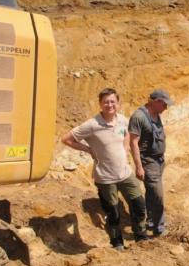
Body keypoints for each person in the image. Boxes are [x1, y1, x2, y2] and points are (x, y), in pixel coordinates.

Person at [61, 88, 149, 250]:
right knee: (113, 213)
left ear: (118, 103)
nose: (110, 105)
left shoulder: (122, 120)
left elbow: (127, 133)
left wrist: (125, 148)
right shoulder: (92, 125)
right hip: (105, 178)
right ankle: (117, 243)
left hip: (125, 173)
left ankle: (141, 237)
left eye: (113, 102)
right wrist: (87, 149)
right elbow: (66, 139)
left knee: (138, 204)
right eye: (106, 102)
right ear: (100, 104)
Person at [129, 89, 173, 237]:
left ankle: (151, 222)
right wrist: (139, 167)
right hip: (148, 161)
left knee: (152, 193)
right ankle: (159, 229)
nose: (166, 108)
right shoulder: (139, 117)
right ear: (156, 102)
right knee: (158, 195)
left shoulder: (156, 114)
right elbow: (133, 143)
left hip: (159, 161)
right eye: (164, 104)